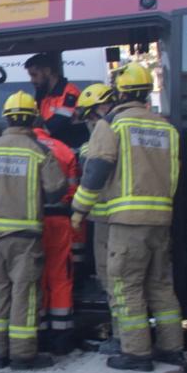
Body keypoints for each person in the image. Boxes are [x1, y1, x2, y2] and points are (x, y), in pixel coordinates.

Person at [71, 62, 182, 372]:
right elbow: (173, 176)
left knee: (125, 286)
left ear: (119, 93)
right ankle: (172, 349)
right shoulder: (166, 128)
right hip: (161, 220)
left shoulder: (114, 126)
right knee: (160, 285)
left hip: (127, 222)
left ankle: (136, 353)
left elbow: (97, 169)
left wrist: (79, 209)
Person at [0, 92, 66, 370]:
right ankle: (23, 355)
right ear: (33, 118)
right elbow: (57, 189)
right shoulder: (38, 152)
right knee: (25, 294)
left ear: (6, 118)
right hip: (25, 238)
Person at [74, 83, 121, 356]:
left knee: (114, 281)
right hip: (125, 218)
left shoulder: (106, 131)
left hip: (109, 221)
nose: (90, 122)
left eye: (91, 115)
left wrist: (78, 210)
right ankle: (166, 345)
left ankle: (124, 340)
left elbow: (94, 173)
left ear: (102, 108)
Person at [32, 106, 80, 356]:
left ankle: (38, 331)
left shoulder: (20, 149)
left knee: (35, 277)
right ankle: (61, 337)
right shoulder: (63, 150)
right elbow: (73, 192)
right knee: (60, 277)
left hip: (31, 222)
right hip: (60, 220)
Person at [25, 52, 85, 150]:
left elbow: (58, 124)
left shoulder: (70, 93)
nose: (31, 80)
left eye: (34, 75)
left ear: (47, 71)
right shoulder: (43, 94)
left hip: (68, 149)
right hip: (50, 148)